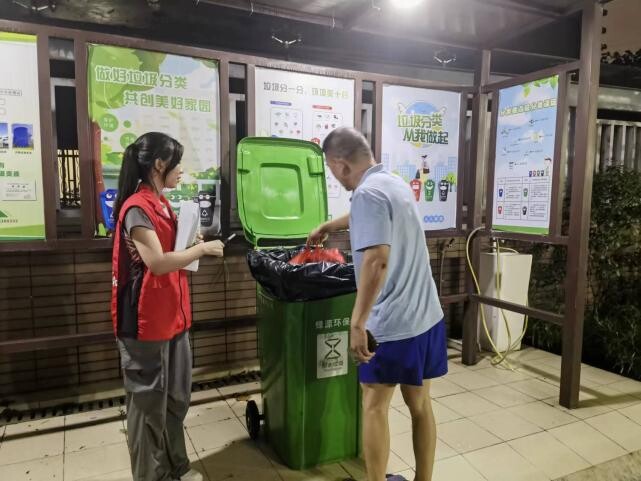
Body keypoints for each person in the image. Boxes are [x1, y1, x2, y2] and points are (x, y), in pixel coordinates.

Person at [308, 128, 447, 481]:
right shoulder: (392, 183)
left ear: (341, 164)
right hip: (426, 315)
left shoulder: (366, 194)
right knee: (420, 405)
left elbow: (376, 261)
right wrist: (330, 224)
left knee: (373, 406)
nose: (335, 177)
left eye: (332, 169)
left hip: (392, 325)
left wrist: (358, 323)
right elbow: (371, 215)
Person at [111, 132, 224, 481]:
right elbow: (157, 263)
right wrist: (201, 250)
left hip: (173, 317)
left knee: (175, 401)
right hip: (145, 324)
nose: (181, 171)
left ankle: (177, 468)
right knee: (148, 408)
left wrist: (190, 242)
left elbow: (170, 252)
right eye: (177, 164)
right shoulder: (137, 207)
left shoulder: (161, 203)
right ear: (159, 164)